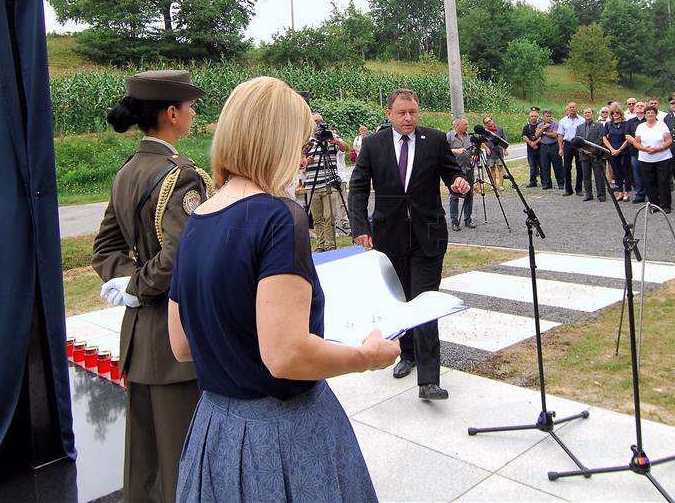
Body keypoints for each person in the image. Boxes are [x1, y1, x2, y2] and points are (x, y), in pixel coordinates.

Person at [167, 77, 400, 502]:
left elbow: (181, 344)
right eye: (301, 144)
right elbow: (286, 354)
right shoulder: (279, 217)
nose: (304, 157)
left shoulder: (198, 218)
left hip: (215, 429)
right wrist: (367, 358)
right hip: (281, 436)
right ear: (275, 142)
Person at [92, 70, 212, 503]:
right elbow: (183, 254)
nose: (194, 114)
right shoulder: (180, 175)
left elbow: (104, 247)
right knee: (182, 458)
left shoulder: (127, 171)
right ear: (171, 113)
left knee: (143, 461)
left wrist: (125, 281)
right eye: (190, 107)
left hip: (139, 337)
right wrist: (139, 286)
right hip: (173, 335)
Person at [349, 88, 470, 401]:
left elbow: (451, 173)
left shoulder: (434, 141)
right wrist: (360, 226)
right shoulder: (374, 145)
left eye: (413, 112)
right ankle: (408, 354)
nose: (408, 118)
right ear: (388, 114)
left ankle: (429, 380)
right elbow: (359, 187)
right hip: (389, 238)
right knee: (401, 301)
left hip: (428, 236)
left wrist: (458, 182)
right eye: (402, 113)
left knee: (425, 303)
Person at [303, 109, 349, 252]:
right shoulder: (306, 141)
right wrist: (306, 161)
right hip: (311, 184)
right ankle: (321, 245)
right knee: (317, 219)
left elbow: (345, 148)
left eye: (320, 121)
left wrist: (336, 140)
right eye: (315, 121)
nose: (318, 124)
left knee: (329, 217)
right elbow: (300, 163)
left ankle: (330, 245)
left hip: (329, 182)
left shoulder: (330, 137)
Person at [633, 105, 674, 213]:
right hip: (645, 158)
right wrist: (644, 149)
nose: (650, 114)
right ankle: (654, 205)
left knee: (663, 181)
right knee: (649, 182)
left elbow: (669, 140)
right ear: (645, 115)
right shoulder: (640, 127)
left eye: (652, 113)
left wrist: (658, 148)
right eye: (648, 113)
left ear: (656, 114)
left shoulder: (662, 125)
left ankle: (666, 205)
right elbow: (636, 142)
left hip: (663, 157)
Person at [447, 117, 476, 230]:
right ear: (457, 125)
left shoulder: (469, 137)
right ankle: (455, 221)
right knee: (454, 195)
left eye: (467, 124)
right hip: (454, 170)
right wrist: (455, 151)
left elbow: (472, 150)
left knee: (469, 194)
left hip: (468, 169)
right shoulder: (449, 136)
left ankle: (468, 219)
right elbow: (443, 150)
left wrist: (474, 151)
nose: (467, 126)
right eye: (465, 125)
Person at [575, 107, 607, 202]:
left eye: (589, 112)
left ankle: (601, 195)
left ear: (592, 114)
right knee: (586, 176)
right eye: (585, 113)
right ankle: (588, 194)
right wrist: (584, 150)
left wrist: (592, 149)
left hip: (596, 154)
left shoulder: (599, 125)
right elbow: (577, 141)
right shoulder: (579, 127)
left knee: (599, 175)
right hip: (584, 155)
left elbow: (600, 138)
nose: (587, 114)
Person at [603, 105, 633, 201]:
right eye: (612, 113)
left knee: (626, 172)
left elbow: (628, 138)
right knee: (617, 172)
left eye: (617, 112)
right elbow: (604, 138)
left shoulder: (626, 124)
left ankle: (627, 192)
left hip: (624, 151)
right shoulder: (608, 124)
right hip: (612, 152)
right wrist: (612, 149)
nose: (615, 114)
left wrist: (620, 149)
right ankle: (620, 192)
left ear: (621, 113)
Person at [558, 102, 585, 196]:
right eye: (570, 107)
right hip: (568, 144)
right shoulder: (563, 121)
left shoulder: (582, 120)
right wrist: (560, 148)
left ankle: (579, 189)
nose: (572, 109)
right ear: (568, 109)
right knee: (567, 167)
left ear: (576, 108)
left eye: (573, 107)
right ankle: (568, 189)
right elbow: (560, 135)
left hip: (579, 145)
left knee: (580, 167)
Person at [626, 101, 647, 203]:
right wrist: (637, 143)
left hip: (649, 152)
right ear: (634, 108)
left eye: (642, 106)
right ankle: (640, 195)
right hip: (635, 152)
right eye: (637, 106)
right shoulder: (630, 122)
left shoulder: (651, 120)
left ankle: (653, 194)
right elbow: (627, 135)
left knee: (649, 173)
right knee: (637, 175)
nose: (639, 107)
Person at [536, 110, 563, 190]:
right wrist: (544, 128)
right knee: (545, 166)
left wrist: (544, 133)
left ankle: (560, 183)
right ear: (543, 117)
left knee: (557, 165)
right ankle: (547, 183)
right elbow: (537, 135)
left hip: (554, 146)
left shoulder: (555, 124)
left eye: (550, 116)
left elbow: (555, 135)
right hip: (544, 146)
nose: (549, 118)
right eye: (547, 116)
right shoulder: (540, 125)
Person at [482, 115, 508, 190]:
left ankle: (501, 185)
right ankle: (493, 185)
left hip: (499, 152)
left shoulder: (500, 129)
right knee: (492, 169)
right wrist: (486, 148)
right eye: (487, 122)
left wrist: (505, 150)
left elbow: (504, 140)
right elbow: (481, 142)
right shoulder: (484, 132)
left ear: (492, 120)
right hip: (490, 153)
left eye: (489, 121)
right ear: (485, 124)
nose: (489, 123)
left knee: (500, 168)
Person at [521, 107, 543, 188]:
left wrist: (535, 143)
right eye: (532, 116)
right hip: (530, 149)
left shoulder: (541, 125)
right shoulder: (527, 126)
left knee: (542, 165)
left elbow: (542, 136)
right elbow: (524, 136)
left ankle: (544, 181)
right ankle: (533, 181)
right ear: (529, 117)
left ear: (538, 117)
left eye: (535, 116)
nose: (534, 118)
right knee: (532, 166)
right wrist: (531, 143)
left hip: (540, 148)